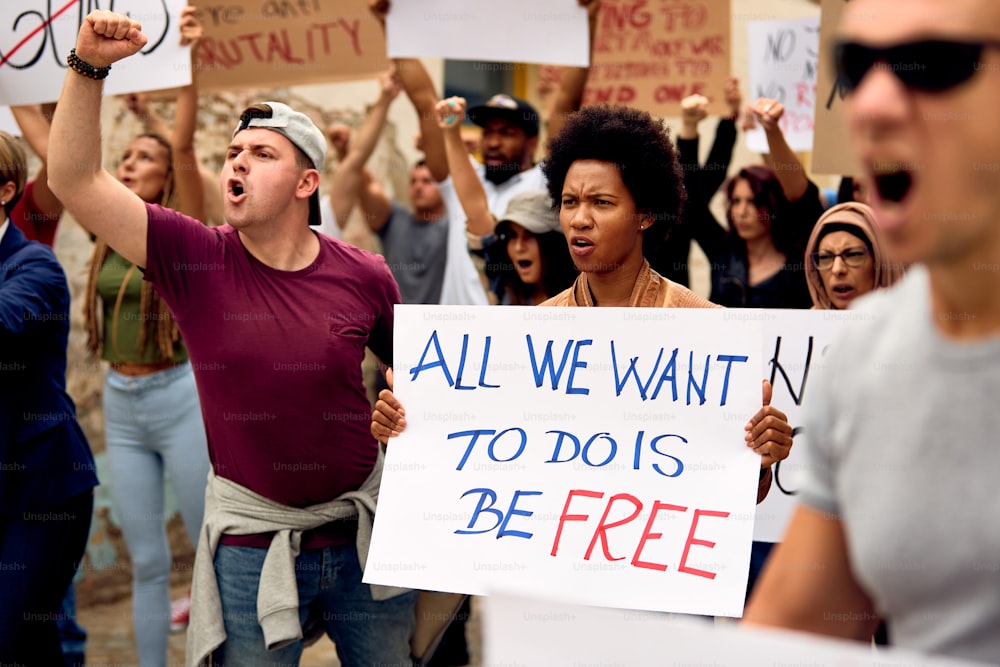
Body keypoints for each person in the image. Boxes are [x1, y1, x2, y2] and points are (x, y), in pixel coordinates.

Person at [49, 10, 414, 666]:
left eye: (262, 153)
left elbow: (418, 377)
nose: (236, 163)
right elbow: (74, 179)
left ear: (307, 184)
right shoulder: (196, 260)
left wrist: (400, 411)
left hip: (364, 538)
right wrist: (87, 67)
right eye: (233, 154)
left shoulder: (366, 274)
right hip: (251, 546)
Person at [743, 0, 1000, 662]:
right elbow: (793, 631)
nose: (873, 103)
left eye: (937, 63)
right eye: (855, 68)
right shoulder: (862, 355)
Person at [372, 104, 794, 503]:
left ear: (645, 214)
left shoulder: (707, 330)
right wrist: (409, 436)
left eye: (602, 203)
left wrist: (758, 458)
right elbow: (483, 468)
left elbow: (733, 497)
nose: (579, 218)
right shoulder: (528, 335)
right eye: (570, 202)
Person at [78, 8, 211, 663]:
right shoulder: (105, 231)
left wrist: (183, 72)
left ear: (164, 179)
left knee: (210, 548)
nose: (130, 165)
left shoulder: (179, 232)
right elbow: (63, 162)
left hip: (178, 396)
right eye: (124, 156)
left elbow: (185, 146)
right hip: (122, 404)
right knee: (149, 562)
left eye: (143, 158)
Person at [368, 0, 600, 307]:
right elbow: (425, 100)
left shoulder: (546, 182)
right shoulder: (462, 181)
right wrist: (391, 25)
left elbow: (566, 102)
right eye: (488, 131)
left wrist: (587, 21)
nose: (492, 141)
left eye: (506, 133)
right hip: (456, 343)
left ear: (532, 141)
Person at [0, 130, 99, 665]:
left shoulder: (34, 265)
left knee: (10, 641)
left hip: (40, 491)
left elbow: (6, 325)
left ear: (5, 190)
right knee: (30, 645)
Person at [434, 96, 577, 306]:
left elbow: (566, 102)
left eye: (530, 235)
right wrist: (451, 131)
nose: (518, 247)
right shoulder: (502, 284)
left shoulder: (582, 291)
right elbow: (475, 208)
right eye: (510, 235)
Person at [330, 67, 450, 305]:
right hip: (397, 334)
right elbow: (364, 186)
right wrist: (345, 152)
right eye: (414, 181)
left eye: (427, 181)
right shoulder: (395, 221)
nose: (418, 187)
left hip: (441, 332)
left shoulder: (454, 228)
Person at [804, 202, 903, 310]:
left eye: (853, 255)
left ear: (880, 262)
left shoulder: (913, 323)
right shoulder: (803, 324)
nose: (837, 269)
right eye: (825, 258)